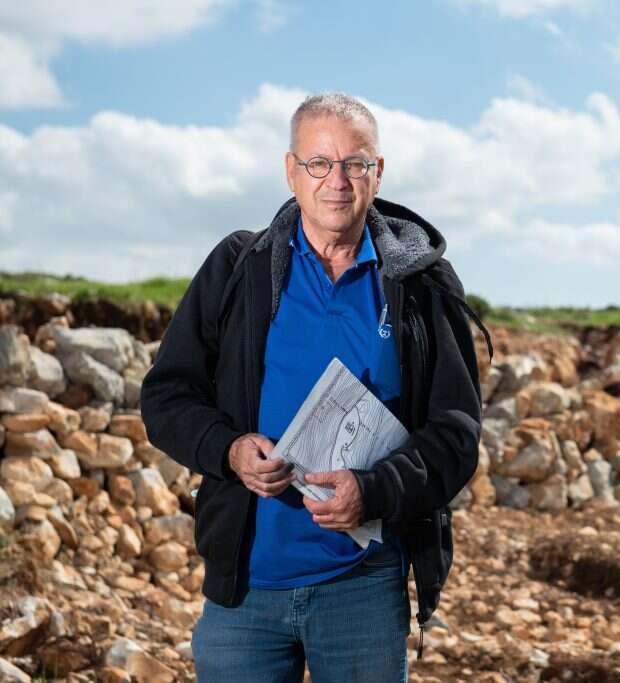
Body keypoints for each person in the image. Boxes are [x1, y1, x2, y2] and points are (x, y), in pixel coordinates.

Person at [140, 93, 491, 682]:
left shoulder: (419, 284)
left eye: (355, 163)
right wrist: (228, 450)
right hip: (245, 590)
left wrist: (374, 490)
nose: (338, 181)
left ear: (378, 173)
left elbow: (456, 435)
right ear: (290, 171)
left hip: (363, 589)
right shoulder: (238, 268)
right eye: (319, 163)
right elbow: (165, 398)